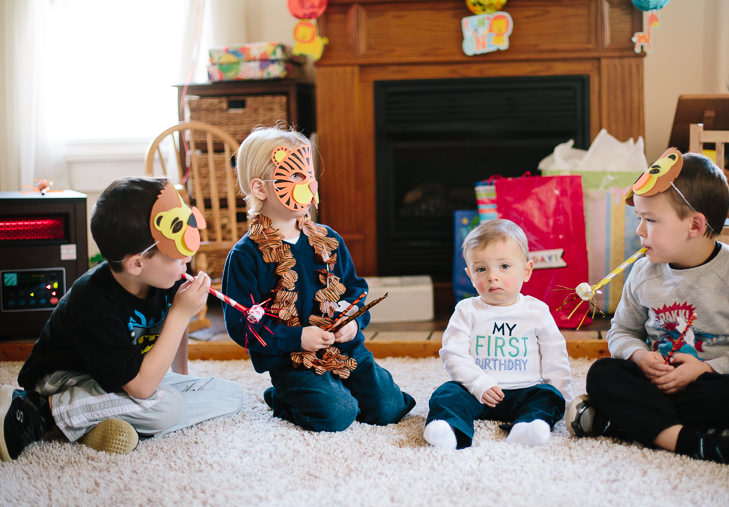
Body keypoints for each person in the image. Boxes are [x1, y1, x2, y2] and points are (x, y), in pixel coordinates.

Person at [565, 149, 729, 468]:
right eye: (639, 219)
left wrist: (707, 368)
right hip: (655, 384)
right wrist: (640, 357)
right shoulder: (643, 272)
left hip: (709, 385)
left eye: (650, 220)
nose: (639, 231)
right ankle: (696, 443)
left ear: (695, 226)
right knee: (602, 374)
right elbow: (622, 332)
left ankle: (617, 423)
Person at [0, 177, 243, 461]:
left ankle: (97, 422)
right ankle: (41, 410)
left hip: (121, 375)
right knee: (167, 409)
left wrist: (178, 379)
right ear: (136, 264)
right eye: (176, 255)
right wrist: (180, 313)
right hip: (63, 379)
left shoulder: (167, 278)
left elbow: (169, 349)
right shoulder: (93, 300)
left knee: (230, 394)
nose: (186, 260)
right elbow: (141, 388)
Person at [222, 126, 415, 432]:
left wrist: (353, 322)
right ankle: (284, 397)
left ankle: (337, 386)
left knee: (389, 408)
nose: (309, 183)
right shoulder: (246, 256)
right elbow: (242, 324)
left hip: (345, 350)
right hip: (292, 359)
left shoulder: (329, 239)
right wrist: (297, 338)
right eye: (296, 176)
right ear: (260, 189)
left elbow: (356, 290)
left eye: (309, 175)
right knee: (338, 413)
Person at [423, 218, 573, 449]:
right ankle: (450, 430)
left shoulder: (537, 311)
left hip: (525, 390)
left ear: (526, 270)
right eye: (481, 269)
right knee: (446, 393)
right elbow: (453, 354)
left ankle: (528, 427)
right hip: (477, 392)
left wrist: (563, 400)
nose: (492, 276)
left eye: (504, 266)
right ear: (470, 276)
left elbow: (555, 356)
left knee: (550, 396)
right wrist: (478, 383)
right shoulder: (467, 310)